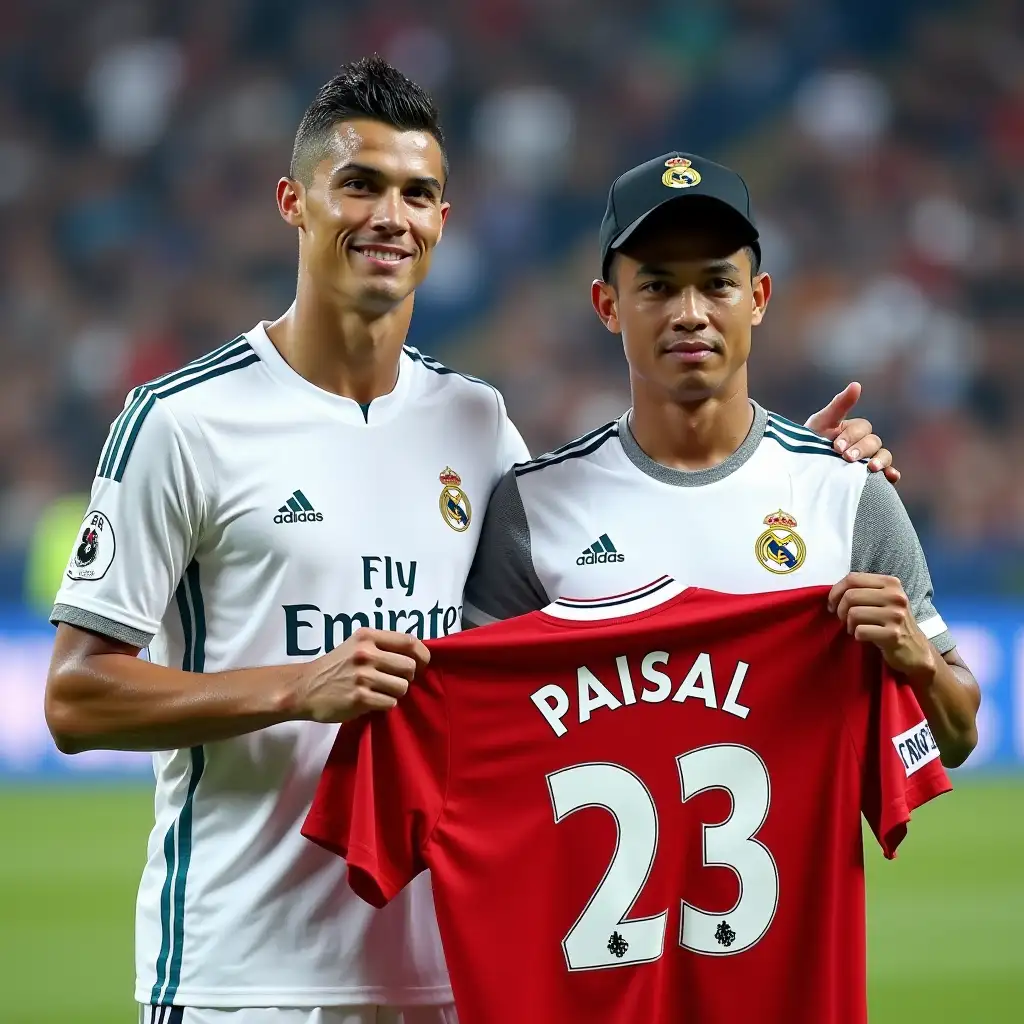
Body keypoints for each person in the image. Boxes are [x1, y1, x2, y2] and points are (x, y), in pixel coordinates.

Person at [42, 55, 895, 1024]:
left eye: (418, 192)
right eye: (358, 183)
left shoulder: (476, 422)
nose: (388, 215)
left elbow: (599, 627)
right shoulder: (182, 420)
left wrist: (775, 476)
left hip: (451, 977)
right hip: (244, 975)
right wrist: (294, 685)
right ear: (295, 202)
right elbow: (75, 696)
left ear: (443, 221)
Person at [463, 151, 980, 770]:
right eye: (656, 285)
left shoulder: (846, 494)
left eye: (717, 283)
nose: (690, 314)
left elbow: (957, 736)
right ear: (607, 306)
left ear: (757, 298)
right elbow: (471, 734)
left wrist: (915, 657)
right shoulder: (532, 508)